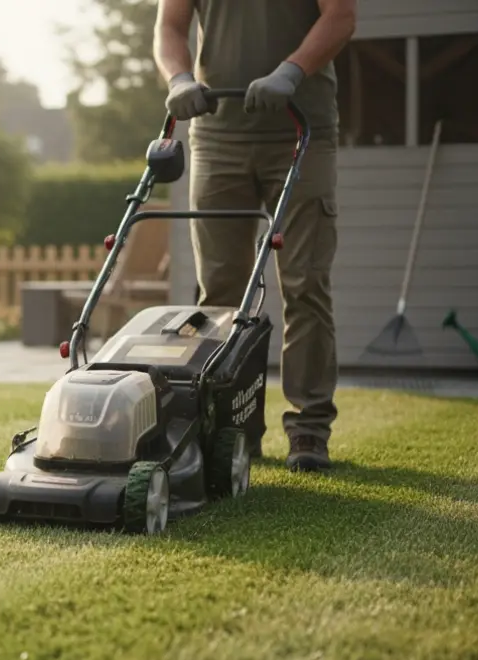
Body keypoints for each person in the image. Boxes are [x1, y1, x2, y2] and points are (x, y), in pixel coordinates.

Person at [152, 0, 357, 473]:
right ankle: (228, 423)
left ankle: (308, 428)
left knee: (305, 283)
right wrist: (179, 79)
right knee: (222, 293)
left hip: (299, 128)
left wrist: (291, 71)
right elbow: (170, 26)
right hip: (217, 133)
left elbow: (341, 16)